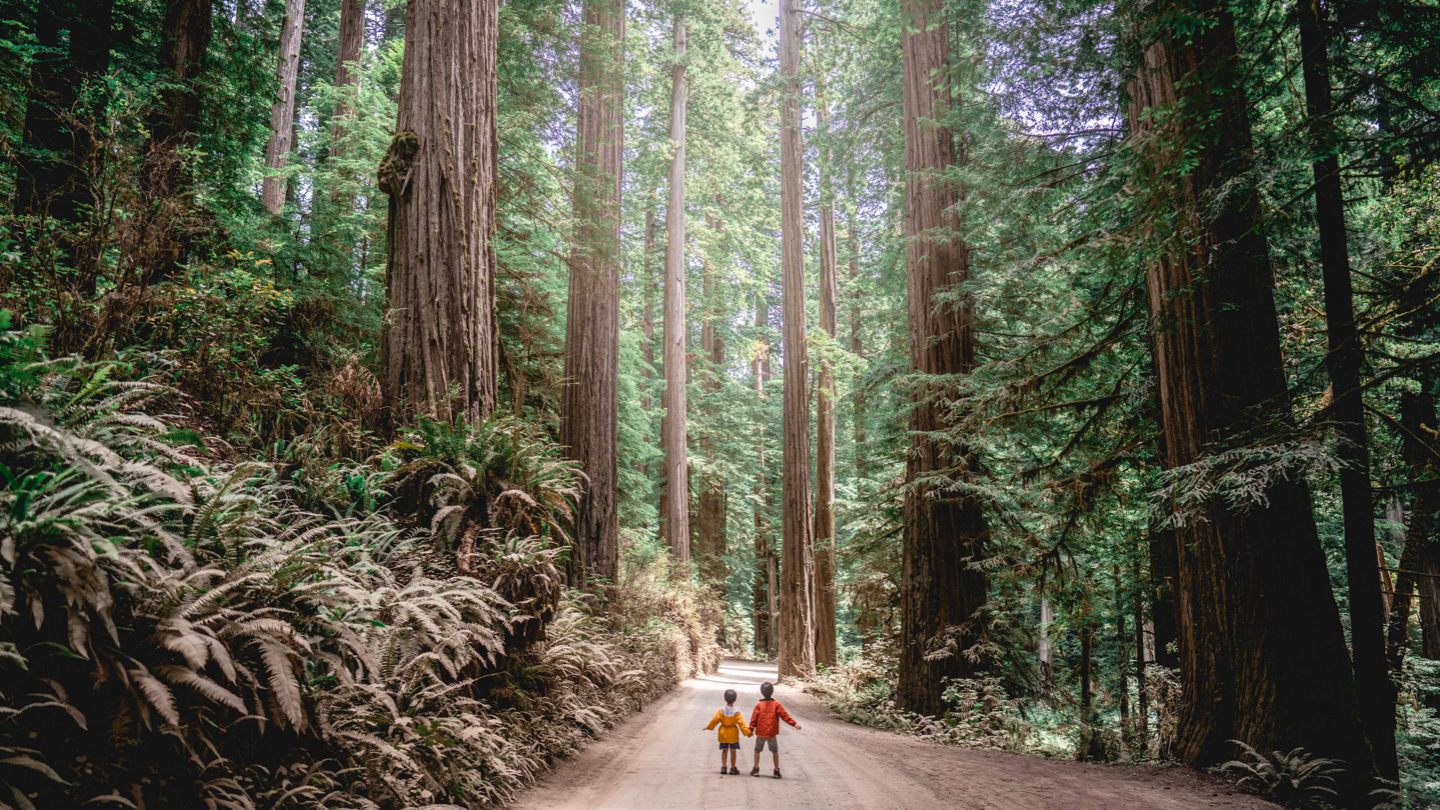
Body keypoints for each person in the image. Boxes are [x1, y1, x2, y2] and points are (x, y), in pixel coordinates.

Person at [749, 681, 800, 778]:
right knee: (774, 751)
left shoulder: (759, 705)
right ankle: (776, 771)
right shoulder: (776, 704)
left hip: (760, 732)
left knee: (757, 750)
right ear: (772, 691)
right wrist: (794, 724)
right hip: (772, 732)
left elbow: (753, 719)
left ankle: (756, 769)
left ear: (761, 692)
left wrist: (750, 730)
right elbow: (785, 716)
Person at [703, 688, 752, 775]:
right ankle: (733, 768)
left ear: (725, 699)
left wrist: (708, 727)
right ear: (735, 699)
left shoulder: (721, 710)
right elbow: (741, 723)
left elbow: (715, 720)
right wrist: (747, 732)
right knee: (733, 751)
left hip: (723, 733)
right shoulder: (737, 712)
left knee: (724, 750)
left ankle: (724, 767)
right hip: (733, 734)